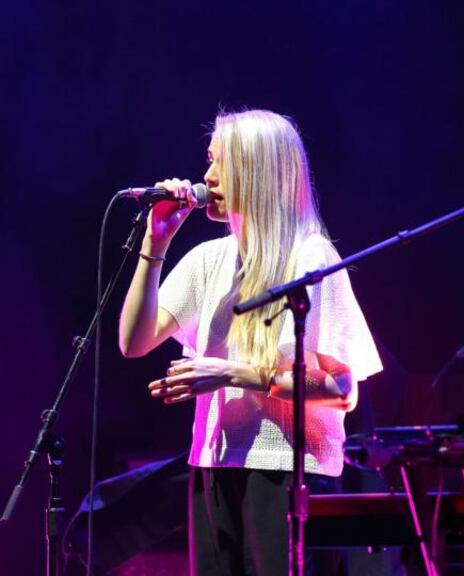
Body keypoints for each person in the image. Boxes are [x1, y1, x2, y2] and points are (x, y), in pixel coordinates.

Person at [119, 109, 383, 575]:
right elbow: (133, 341)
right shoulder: (208, 260)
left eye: (220, 162)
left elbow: (343, 390)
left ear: (256, 171)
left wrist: (231, 373)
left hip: (286, 470)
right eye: (209, 161)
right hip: (213, 465)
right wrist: (155, 244)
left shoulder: (311, 257)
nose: (206, 176)